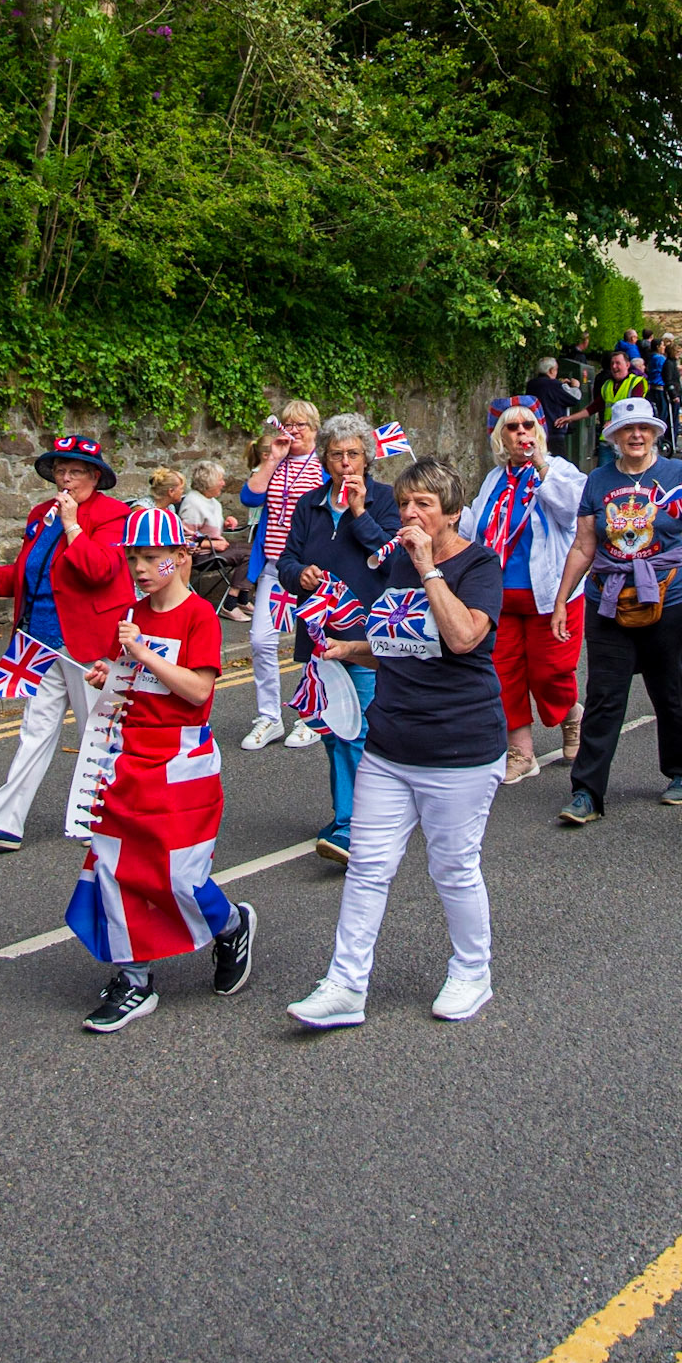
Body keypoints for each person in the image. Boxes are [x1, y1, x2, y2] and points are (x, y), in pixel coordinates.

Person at [287, 457, 507, 1029]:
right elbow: (392, 640)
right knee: (367, 867)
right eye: (405, 503)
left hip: (458, 748)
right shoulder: (396, 568)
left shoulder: (479, 566)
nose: (409, 513)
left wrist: (430, 568)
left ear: (452, 515)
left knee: (453, 868)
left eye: (424, 505)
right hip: (389, 746)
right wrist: (346, 649)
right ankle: (345, 985)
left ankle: (471, 971)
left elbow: (462, 638)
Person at [66, 508, 255, 1032]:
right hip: (126, 757)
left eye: (151, 558)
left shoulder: (198, 616)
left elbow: (198, 691)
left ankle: (232, 924)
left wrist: (142, 653)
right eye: (134, 558)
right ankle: (134, 979)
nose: (141, 568)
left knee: (177, 876)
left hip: (181, 762)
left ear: (180, 558)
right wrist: (111, 670)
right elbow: (126, 679)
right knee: (115, 865)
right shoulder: (132, 612)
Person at [550, 394, 682, 826]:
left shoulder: (675, 473)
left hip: (671, 597)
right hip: (608, 598)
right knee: (603, 695)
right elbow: (583, 545)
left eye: (644, 429)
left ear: (654, 433)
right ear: (614, 437)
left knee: (667, 687)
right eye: (626, 430)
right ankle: (586, 793)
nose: (636, 435)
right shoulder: (597, 481)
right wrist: (561, 600)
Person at [0, 434, 133, 852]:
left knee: (101, 732)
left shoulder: (112, 515)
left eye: (75, 472)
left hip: (91, 643)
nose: (65, 479)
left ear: (94, 476)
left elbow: (99, 571)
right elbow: (30, 571)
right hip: (40, 640)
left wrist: (73, 526)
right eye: (60, 470)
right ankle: (3, 823)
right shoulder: (41, 514)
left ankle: (108, 816)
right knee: (34, 731)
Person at [277, 413, 400, 865]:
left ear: (367, 457)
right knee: (332, 731)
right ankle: (350, 814)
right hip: (317, 636)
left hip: (364, 636)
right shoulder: (308, 504)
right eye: (336, 454)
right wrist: (299, 574)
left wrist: (358, 511)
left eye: (353, 454)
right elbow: (286, 560)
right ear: (324, 458)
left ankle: (352, 824)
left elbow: (388, 559)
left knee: (356, 732)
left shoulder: (385, 500)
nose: (345, 463)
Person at [460, 398, 586, 786]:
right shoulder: (494, 479)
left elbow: (573, 511)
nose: (521, 435)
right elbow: (475, 529)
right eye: (512, 428)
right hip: (501, 597)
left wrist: (541, 468)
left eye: (527, 427)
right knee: (504, 676)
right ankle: (521, 752)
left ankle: (570, 713)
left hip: (553, 597)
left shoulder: (560, 471)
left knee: (550, 673)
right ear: (500, 437)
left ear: (539, 432)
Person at [240, 407, 325, 750]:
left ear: (315, 430)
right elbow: (249, 497)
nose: (293, 430)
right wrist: (273, 458)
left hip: (309, 572)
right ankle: (269, 717)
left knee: (315, 644)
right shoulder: (276, 462)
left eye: (300, 425)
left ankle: (311, 716)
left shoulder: (323, 466)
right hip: (274, 569)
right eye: (287, 424)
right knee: (261, 641)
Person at [181, 460, 252, 618]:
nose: (223, 483)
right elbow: (185, 539)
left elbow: (209, 529)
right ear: (209, 481)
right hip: (201, 554)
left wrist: (226, 524)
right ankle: (230, 603)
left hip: (215, 547)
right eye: (220, 479)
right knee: (250, 555)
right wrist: (212, 544)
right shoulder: (193, 503)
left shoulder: (211, 501)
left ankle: (242, 598)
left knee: (258, 549)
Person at [559, 347, 648, 466]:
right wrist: (570, 418)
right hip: (608, 436)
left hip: (628, 438)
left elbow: (635, 410)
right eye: (612, 363)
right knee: (604, 474)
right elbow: (594, 407)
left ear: (627, 365)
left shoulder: (636, 382)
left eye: (618, 363)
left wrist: (614, 422)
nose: (614, 367)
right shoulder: (607, 385)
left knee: (627, 474)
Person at [527, 354, 582, 458]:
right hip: (554, 430)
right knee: (560, 465)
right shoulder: (554, 385)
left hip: (536, 430)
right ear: (551, 370)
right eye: (556, 370)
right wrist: (575, 386)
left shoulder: (531, 384)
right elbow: (574, 399)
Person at [660, 336, 682, 457]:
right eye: (677, 352)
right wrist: (673, 395)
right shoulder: (668, 364)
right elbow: (668, 381)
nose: (679, 355)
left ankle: (673, 441)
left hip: (676, 393)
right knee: (672, 420)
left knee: (675, 419)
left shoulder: (672, 363)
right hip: (672, 396)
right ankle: (670, 441)